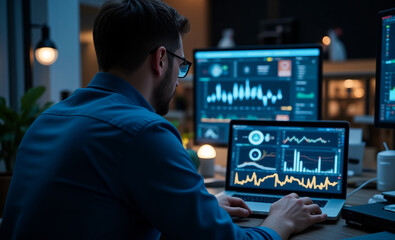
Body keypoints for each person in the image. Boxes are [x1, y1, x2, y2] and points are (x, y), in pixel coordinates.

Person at [0, 0, 327, 239]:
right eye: (180, 65)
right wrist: (280, 221)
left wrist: (195, 206)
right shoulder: (142, 132)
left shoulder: (46, 120)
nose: (179, 78)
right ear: (160, 59)